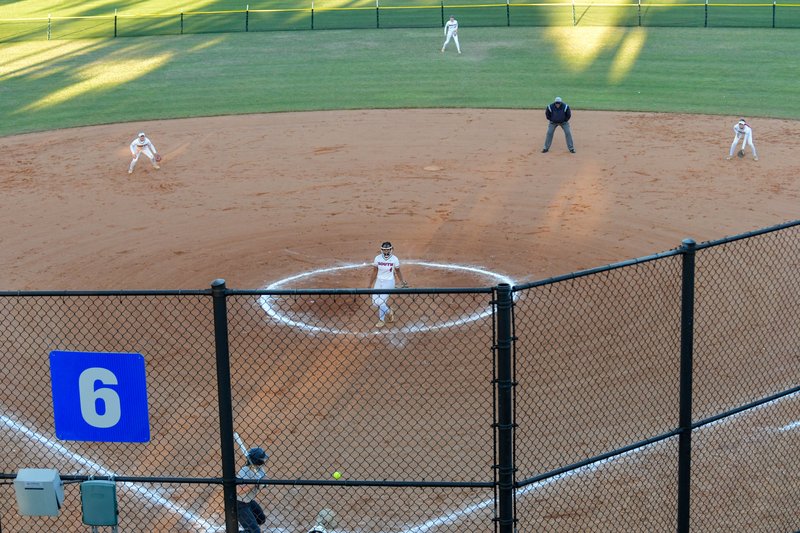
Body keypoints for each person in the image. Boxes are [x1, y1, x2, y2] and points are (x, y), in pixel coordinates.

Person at [368, 241, 408, 328]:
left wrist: (402, 281)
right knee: (375, 303)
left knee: (381, 302)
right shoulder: (377, 258)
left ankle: (381, 320)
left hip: (389, 282)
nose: (386, 252)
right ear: (381, 250)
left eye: (388, 250)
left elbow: (398, 271)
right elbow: (375, 271)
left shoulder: (394, 259)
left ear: (391, 249)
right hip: (379, 281)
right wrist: (370, 284)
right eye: (384, 250)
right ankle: (389, 312)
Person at [236, 447, 269, 533]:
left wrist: (262, 481)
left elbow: (265, 480)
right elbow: (238, 490)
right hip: (239, 504)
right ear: (257, 460)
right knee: (255, 531)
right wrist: (255, 482)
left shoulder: (258, 468)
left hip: (249, 501)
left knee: (261, 519)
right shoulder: (245, 471)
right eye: (261, 459)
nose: (263, 461)